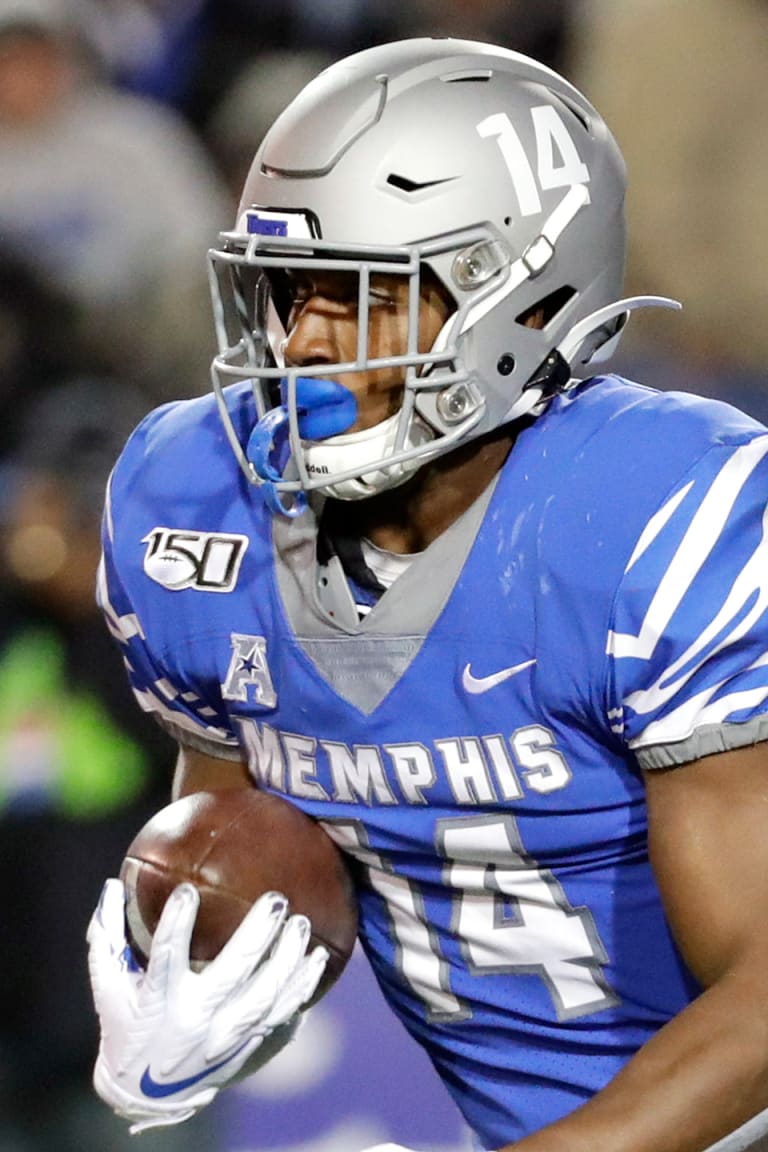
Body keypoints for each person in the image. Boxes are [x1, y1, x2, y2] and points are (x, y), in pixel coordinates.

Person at [86, 37, 768, 1152]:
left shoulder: (659, 513)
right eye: (289, 292)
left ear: (524, 302)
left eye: (363, 298)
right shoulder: (188, 494)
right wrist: (196, 995)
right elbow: (260, 838)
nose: (303, 341)